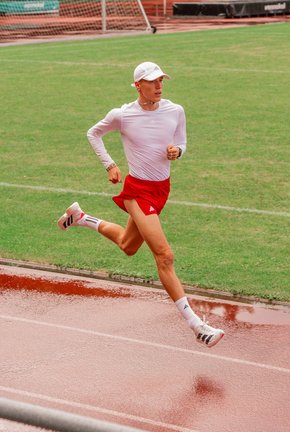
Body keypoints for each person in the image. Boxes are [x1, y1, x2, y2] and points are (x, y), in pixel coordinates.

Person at [58, 61, 224, 348]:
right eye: (152, 81)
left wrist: (178, 151)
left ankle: (81, 216)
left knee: (128, 245)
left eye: (161, 80)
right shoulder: (122, 115)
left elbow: (182, 141)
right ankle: (197, 326)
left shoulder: (175, 110)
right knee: (165, 255)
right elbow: (93, 133)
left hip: (162, 189)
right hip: (137, 191)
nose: (159, 86)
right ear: (138, 85)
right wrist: (109, 164)